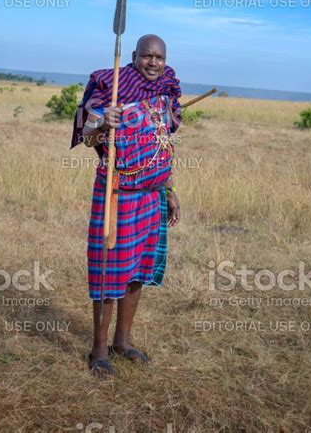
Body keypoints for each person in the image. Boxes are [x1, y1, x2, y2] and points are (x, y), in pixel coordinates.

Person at [71, 34, 182, 377]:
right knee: (109, 273)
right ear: (133, 55)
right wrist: (103, 122)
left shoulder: (167, 88)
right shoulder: (109, 86)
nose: (153, 62)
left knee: (137, 274)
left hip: (151, 195)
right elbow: (87, 135)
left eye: (158, 57)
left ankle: (123, 342)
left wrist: (169, 189)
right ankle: (99, 350)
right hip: (116, 194)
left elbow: (162, 141)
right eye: (146, 55)